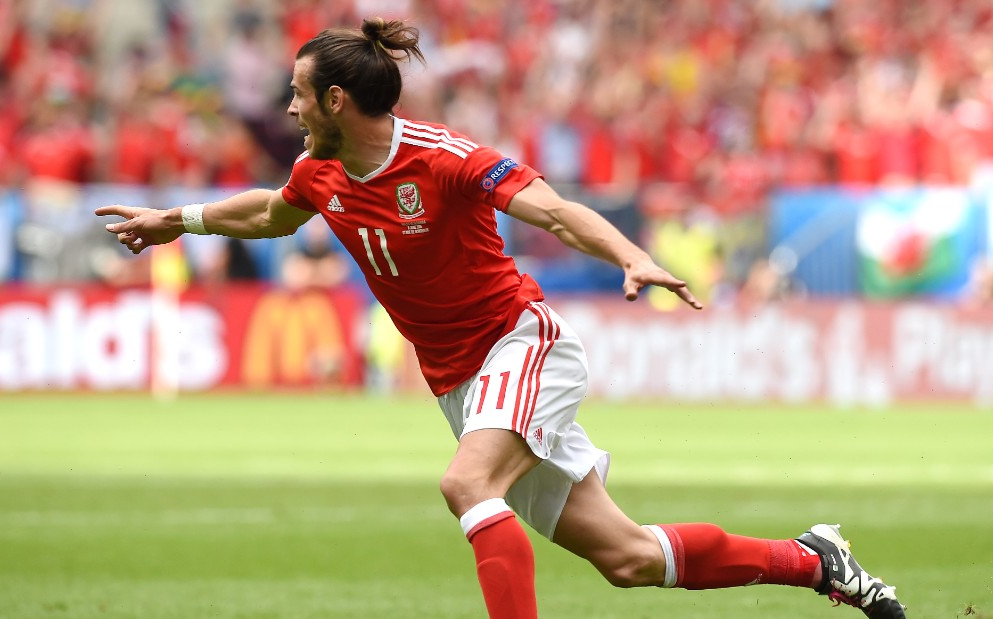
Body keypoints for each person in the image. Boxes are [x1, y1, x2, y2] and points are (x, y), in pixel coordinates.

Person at [96, 19, 906, 619]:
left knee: (466, 484)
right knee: (626, 558)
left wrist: (628, 253)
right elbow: (272, 214)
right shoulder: (320, 171)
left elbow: (552, 210)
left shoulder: (445, 157)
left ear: (336, 99)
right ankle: (816, 560)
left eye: (300, 92)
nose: (290, 105)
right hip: (462, 384)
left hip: (522, 344)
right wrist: (182, 217)